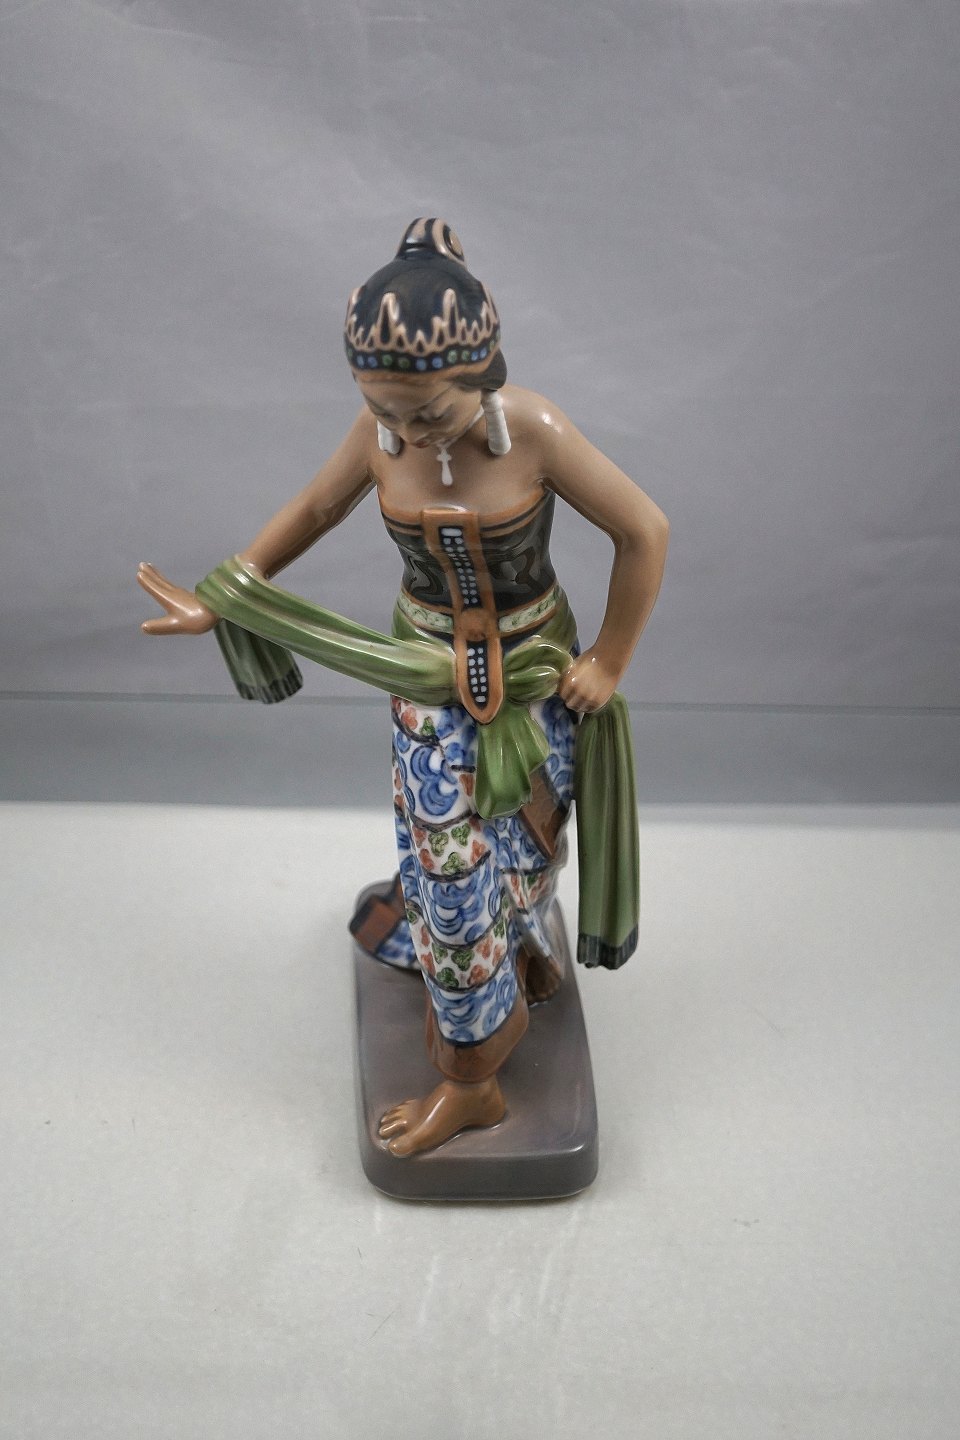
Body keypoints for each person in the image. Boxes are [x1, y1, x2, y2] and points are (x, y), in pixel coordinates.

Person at [138, 216, 669, 1158]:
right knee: (449, 869)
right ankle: (472, 1082)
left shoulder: (536, 431)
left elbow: (644, 530)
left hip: (536, 673)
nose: (407, 430)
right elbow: (315, 506)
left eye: (428, 411)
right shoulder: (378, 432)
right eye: (385, 408)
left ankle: (518, 949)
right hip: (422, 676)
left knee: (529, 842)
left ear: (484, 373)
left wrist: (611, 657)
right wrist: (226, 595)